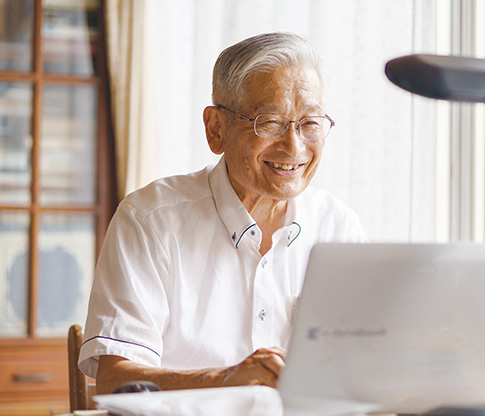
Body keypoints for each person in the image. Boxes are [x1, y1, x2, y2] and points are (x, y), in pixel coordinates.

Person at [78, 32, 367, 395]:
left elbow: (363, 366)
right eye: (271, 122)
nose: (294, 146)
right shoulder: (150, 220)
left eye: (309, 123)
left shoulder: (338, 227)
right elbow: (113, 380)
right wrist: (224, 380)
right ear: (216, 129)